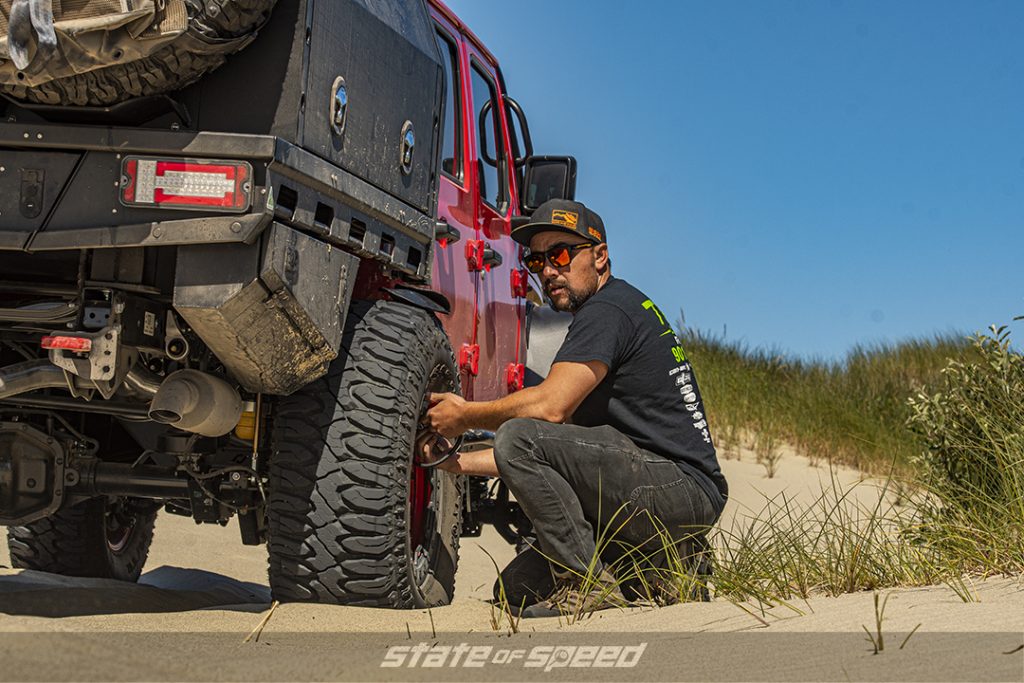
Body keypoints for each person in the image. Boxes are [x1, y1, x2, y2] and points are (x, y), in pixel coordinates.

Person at [420, 198, 728, 618]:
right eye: (536, 260)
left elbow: (548, 410)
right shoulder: (609, 311)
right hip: (656, 488)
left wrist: (464, 415)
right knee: (515, 590)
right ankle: (664, 566)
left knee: (520, 432)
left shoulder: (608, 310)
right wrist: (455, 463)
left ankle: (587, 585)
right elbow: (549, 455)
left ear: (600, 256)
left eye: (561, 254)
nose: (547, 270)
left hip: (677, 488)